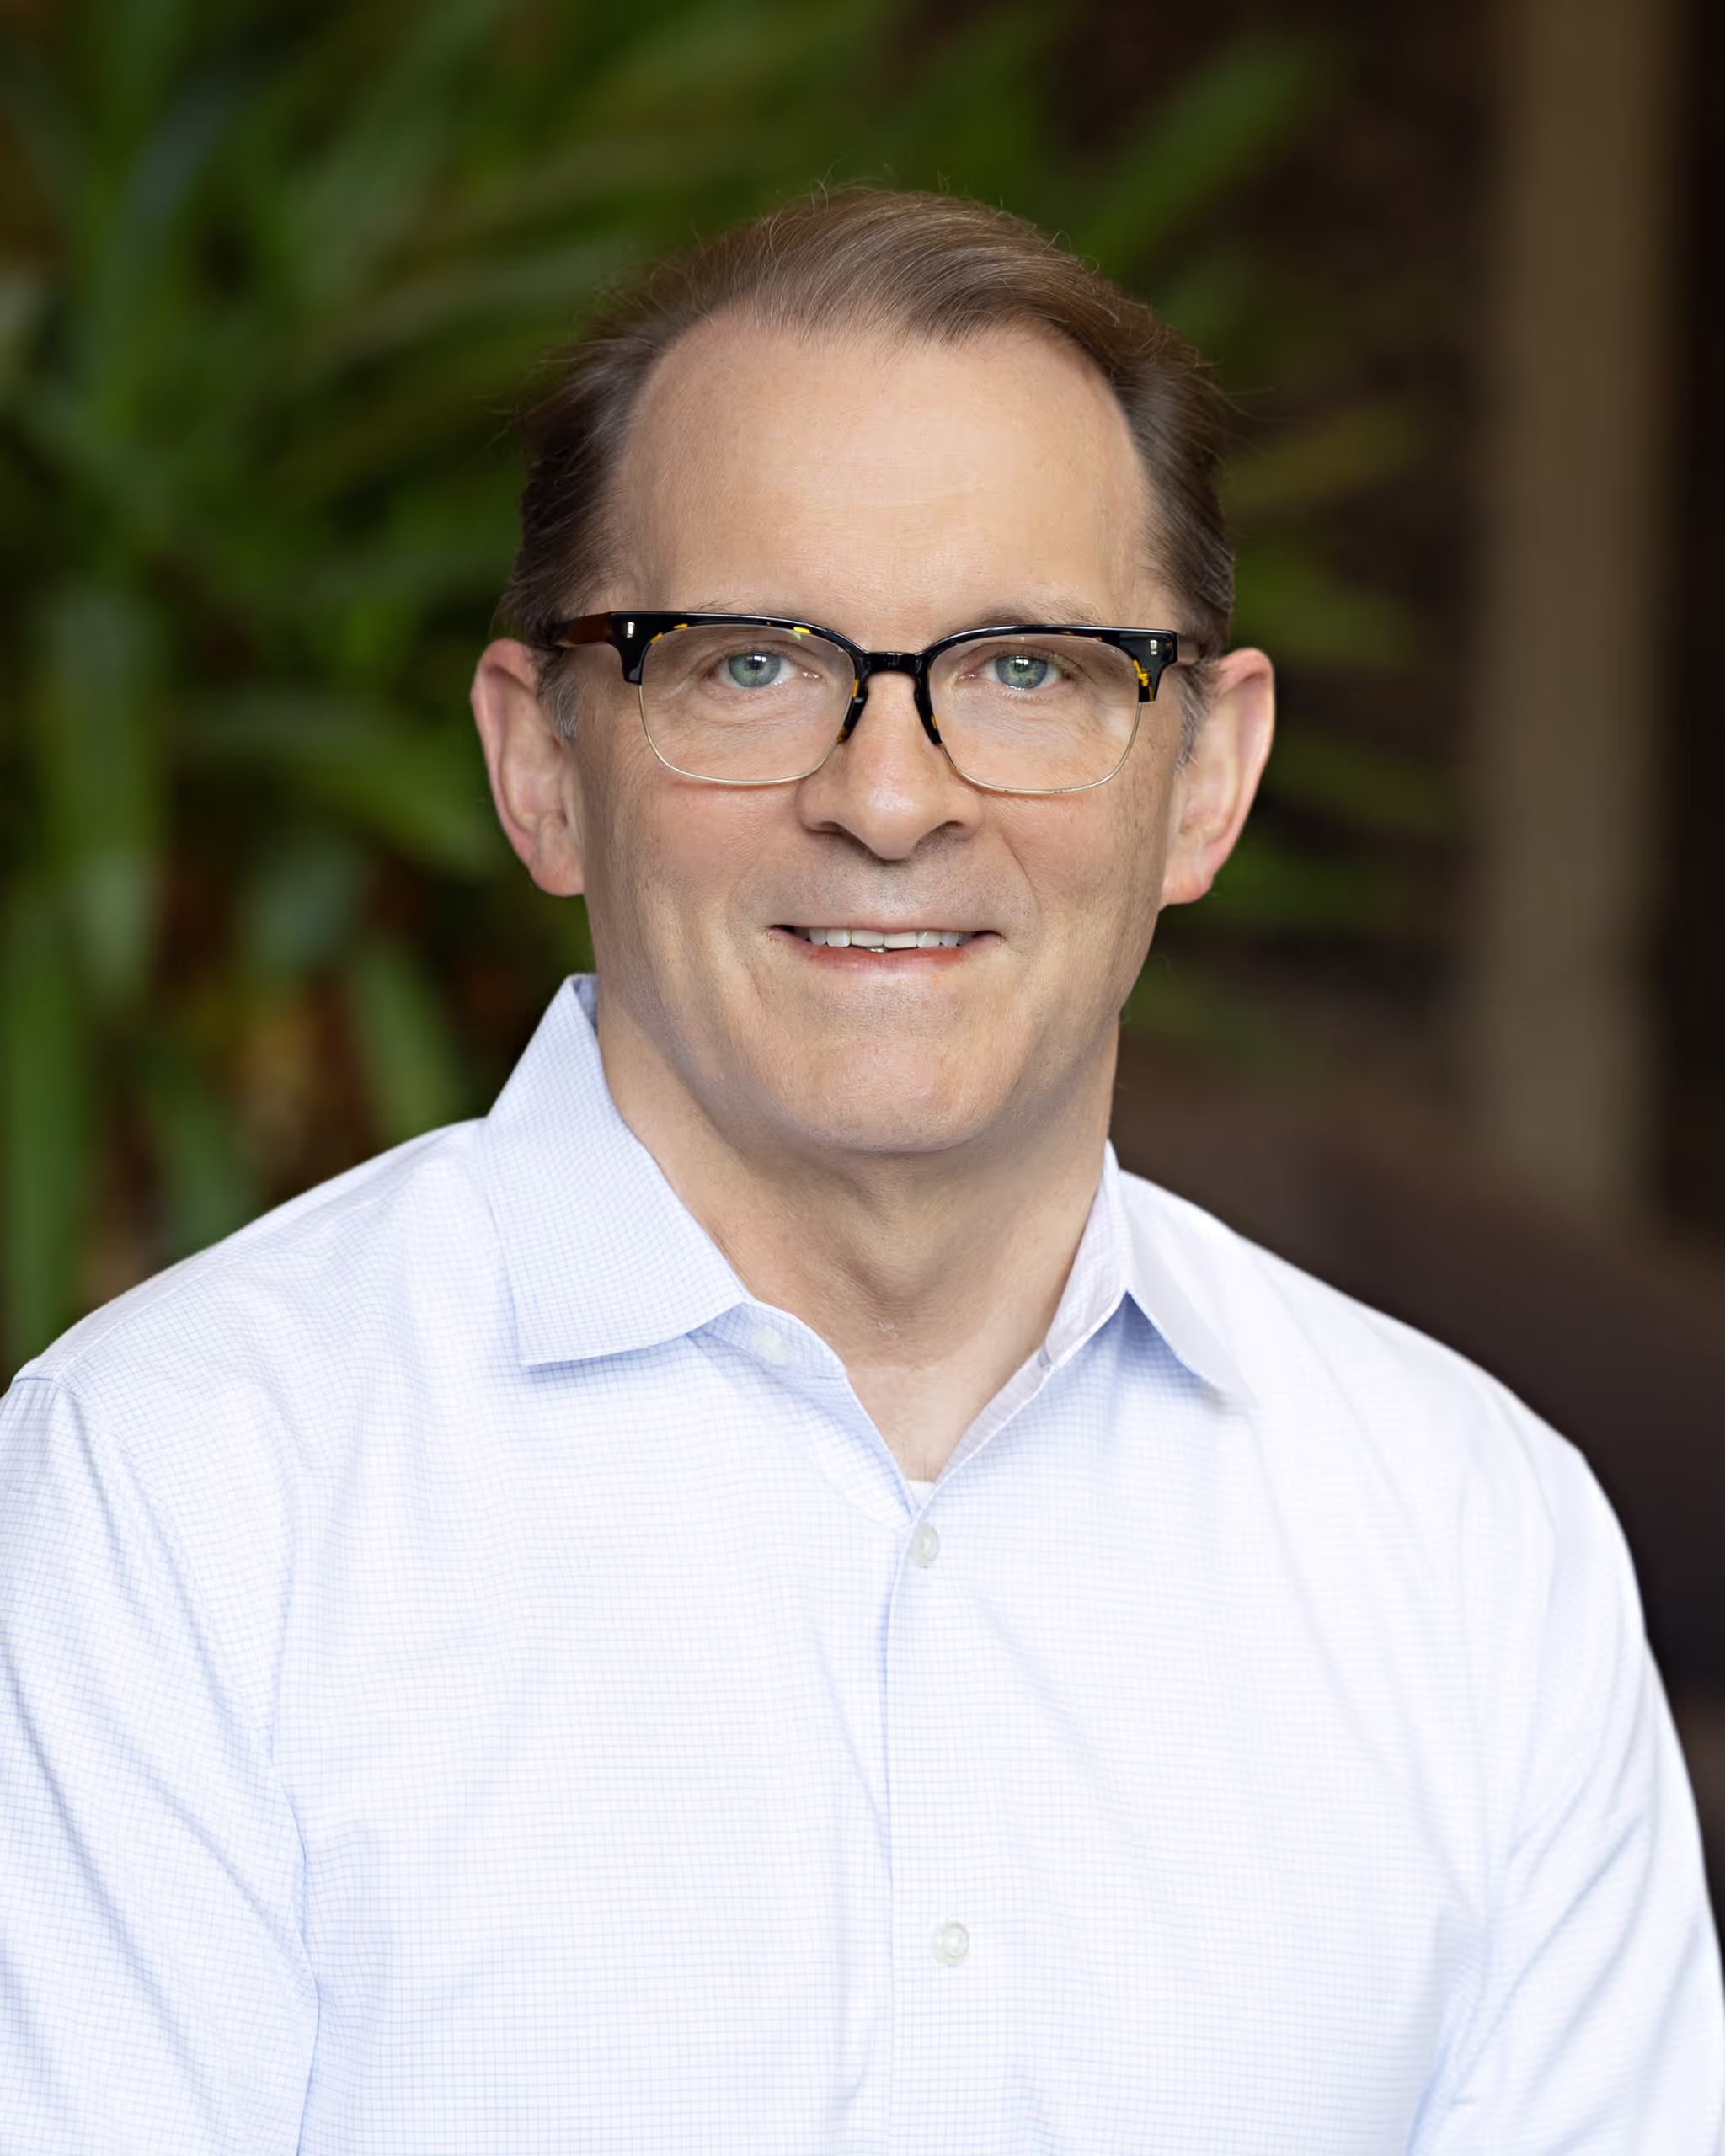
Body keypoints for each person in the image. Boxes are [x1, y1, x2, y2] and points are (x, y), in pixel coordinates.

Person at [1, 187, 1719, 2154]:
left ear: (1206, 777)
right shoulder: (174, 1497)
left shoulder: (1474, 1539)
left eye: (1027, 668)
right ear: (542, 763)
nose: (889, 798)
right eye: (746, 664)